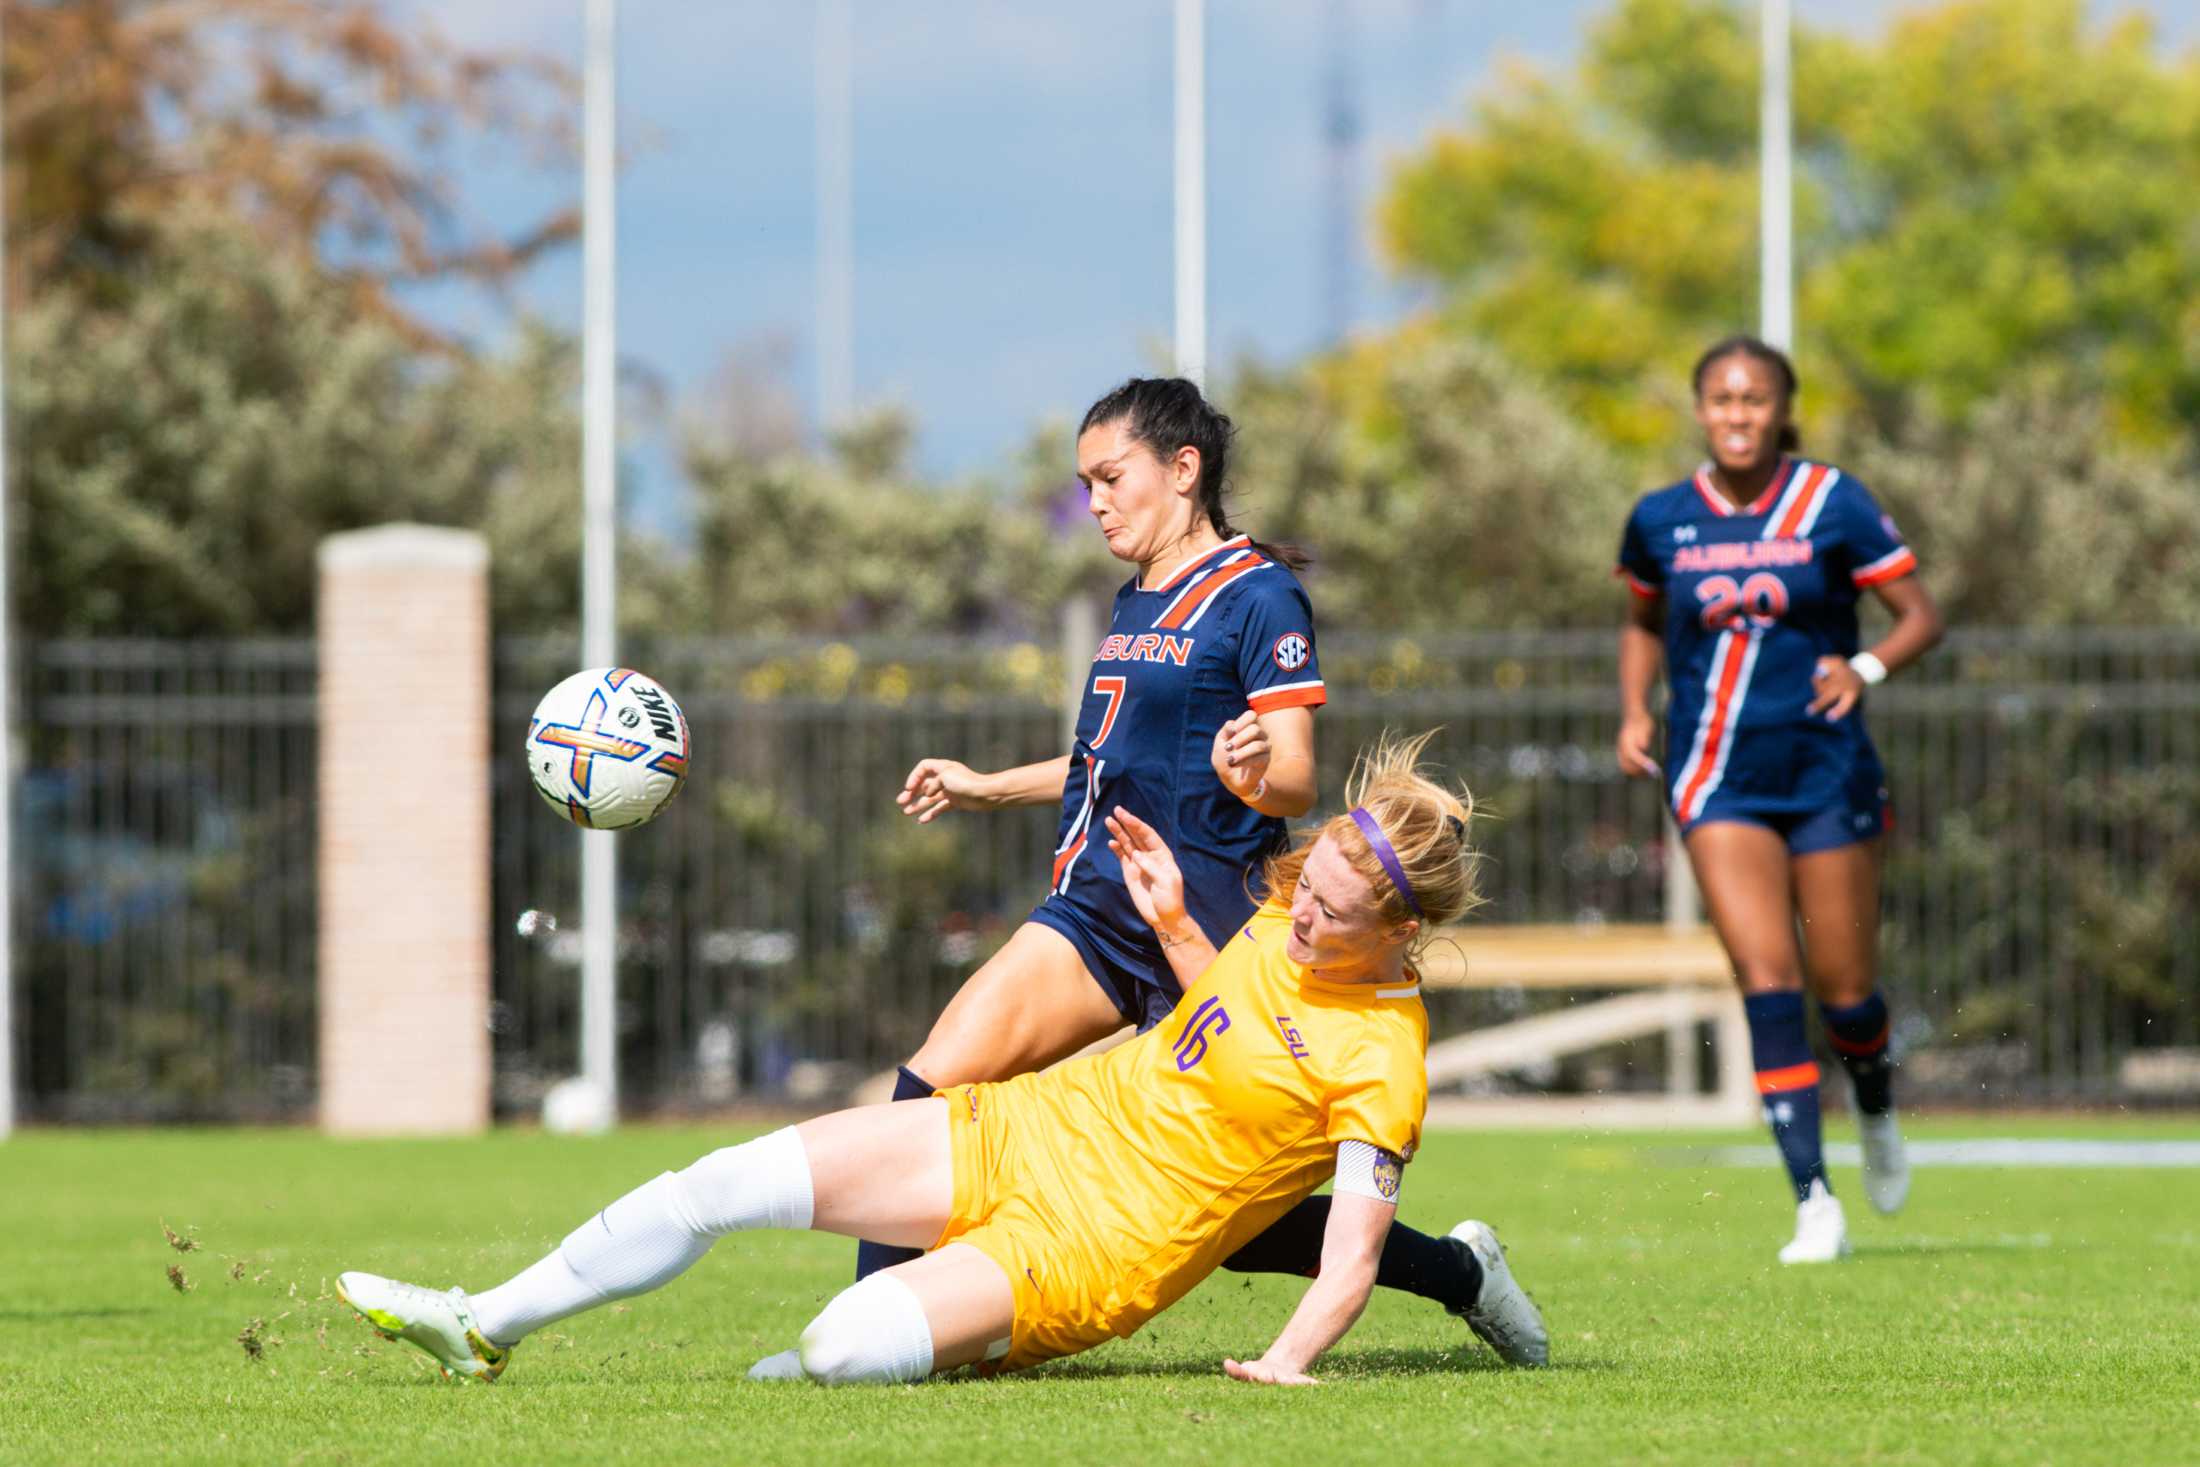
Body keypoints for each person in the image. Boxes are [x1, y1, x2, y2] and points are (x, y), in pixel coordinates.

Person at [335, 735, 1549, 1385]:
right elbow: (1227, 1010)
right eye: (1311, 880)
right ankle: (479, 1320)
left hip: (1090, 1253)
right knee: (723, 1182)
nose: (1307, 907)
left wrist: (1285, 1365)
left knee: (838, 1348)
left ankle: (914, 1339)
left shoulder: (1387, 1058)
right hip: (1026, 1129)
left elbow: (1344, 1255)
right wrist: (1176, 915)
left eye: (1339, 908)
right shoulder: (1285, 918)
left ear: (1404, 931)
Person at [871, 377, 1490, 1326]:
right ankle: (875, 1322)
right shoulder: (1135, 597)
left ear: (1184, 468)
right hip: (1095, 910)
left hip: (1209, 927)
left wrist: (1252, 775)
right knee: (930, 1086)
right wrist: (989, 784)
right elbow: (1109, 757)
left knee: (1242, 1222)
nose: (1095, 503)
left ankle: (1462, 1276)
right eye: (1084, 486)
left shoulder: (1260, 597)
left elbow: (1292, 778)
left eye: (1110, 478)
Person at [1615, 335, 1945, 1264]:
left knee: (1845, 992)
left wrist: (1868, 665)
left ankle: (1874, 1101)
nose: (1737, 413)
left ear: (1780, 408)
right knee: (1769, 981)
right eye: (1721, 398)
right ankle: (1814, 1199)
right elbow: (1642, 620)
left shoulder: (1830, 500)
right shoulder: (1662, 516)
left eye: (1754, 399)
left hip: (1826, 770)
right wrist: (1634, 710)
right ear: (1699, 409)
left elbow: (1921, 614)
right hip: (1716, 775)